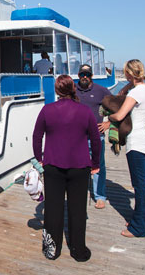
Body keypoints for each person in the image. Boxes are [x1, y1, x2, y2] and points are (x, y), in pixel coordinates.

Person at [33, 75, 101, 261]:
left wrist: (39, 159)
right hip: (80, 166)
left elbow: (36, 136)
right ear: (74, 88)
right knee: (78, 209)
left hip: (53, 165)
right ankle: (78, 250)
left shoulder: (47, 110)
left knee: (53, 209)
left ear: (56, 90)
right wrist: (95, 164)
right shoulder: (85, 111)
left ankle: (51, 250)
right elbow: (96, 141)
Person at [108, 59, 145, 238]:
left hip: (136, 142)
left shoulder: (136, 92)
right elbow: (122, 94)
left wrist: (106, 117)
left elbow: (120, 114)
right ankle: (138, 219)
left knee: (139, 185)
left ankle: (139, 227)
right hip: (143, 139)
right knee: (140, 184)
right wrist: (128, 86)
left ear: (129, 73)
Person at [75, 63, 111, 209]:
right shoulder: (72, 91)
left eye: (87, 75)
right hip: (77, 137)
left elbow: (117, 107)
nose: (85, 77)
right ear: (78, 75)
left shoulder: (101, 91)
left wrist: (109, 123)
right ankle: (78, 193)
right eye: (82, 74)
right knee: (77, 166)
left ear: (92, 76)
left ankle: (100, 196)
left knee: (99, 165)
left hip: (96, 136)